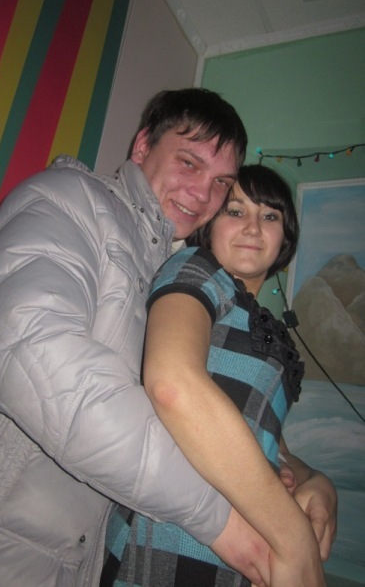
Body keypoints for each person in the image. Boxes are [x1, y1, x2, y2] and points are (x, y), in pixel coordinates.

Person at [0, 89, 335, 587]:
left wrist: (305, 474)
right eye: (188, 162)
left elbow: (217, 409)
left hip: (83, 561)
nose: (203, 194)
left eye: (221, 182)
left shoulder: (166, 267)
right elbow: (35, 356)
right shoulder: (67, 200)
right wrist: (226, 520)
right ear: (142, 146)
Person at [101, 165, 333, 586]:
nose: (253, 227)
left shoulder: (262, 323)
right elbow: (173, 384)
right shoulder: (198, 268)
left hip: (248, 542)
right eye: (235, 211)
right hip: (169, 536)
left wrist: (314, 479)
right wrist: (294, 536)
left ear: (285, 236)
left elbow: (265, 436)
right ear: (209, 226)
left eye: (269, 216)